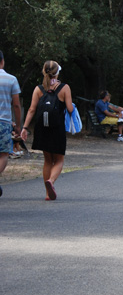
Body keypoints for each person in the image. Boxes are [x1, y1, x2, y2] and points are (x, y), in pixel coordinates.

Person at [21, 61, 73, 200]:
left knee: (47, 160)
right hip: (57, 128)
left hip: (42, 128)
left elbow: (32, 109)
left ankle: (46, 192)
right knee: (59, 159)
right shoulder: (64, 88)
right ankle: (51, 181)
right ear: (57, 72)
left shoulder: (38, 89)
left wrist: (24, 128)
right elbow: (69, 109)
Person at [0, 50, 22, 197]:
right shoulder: (11, 79)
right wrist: (18, 125)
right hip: (4, 121)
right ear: (2, 61)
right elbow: (16, 105)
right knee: (3, 154)